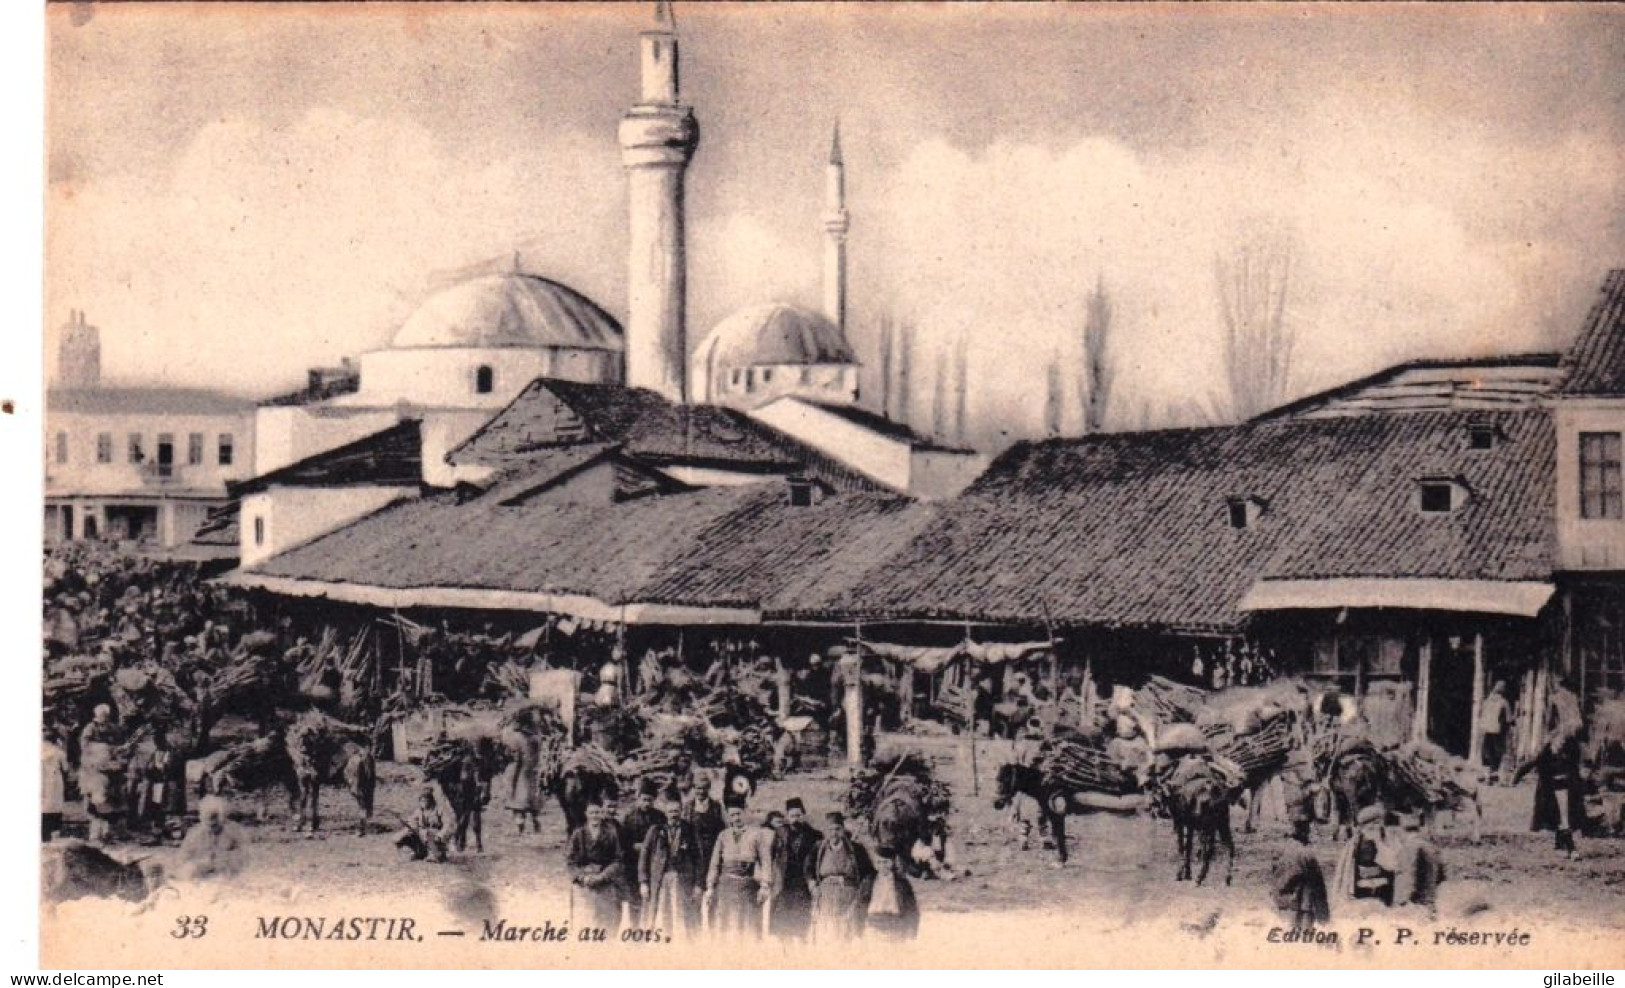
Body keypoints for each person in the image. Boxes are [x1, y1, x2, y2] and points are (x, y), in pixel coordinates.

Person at [640, 787, 704, 938]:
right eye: (670, 812)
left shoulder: (690, 830)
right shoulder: (655, 830)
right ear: (666, 813)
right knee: (661, 915)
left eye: (676, 811)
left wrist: (698, 884)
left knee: (681, 915)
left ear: (681, 811)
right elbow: (644, 856)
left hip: (682, 879)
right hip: (660, 879)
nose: (674, 815)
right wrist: (643, 882)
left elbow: (699, 859)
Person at [704, 805, 774, 939]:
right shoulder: (723, 835)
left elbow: (766, 861)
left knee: (749, 927)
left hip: (748, 886)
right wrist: (710, 886)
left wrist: (765, 886)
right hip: (726, 886)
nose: (736, 818)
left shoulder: (756, 834)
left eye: (739, 814)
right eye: (732, 815)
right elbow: (714, 863)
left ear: (746, 814)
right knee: (725, 925)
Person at [1514, 730, 1586, 859]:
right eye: (1558, 742)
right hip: (1551, 793)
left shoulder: (1570, 754)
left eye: (1563, 743)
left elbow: (1577, 773)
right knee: (1562, 820)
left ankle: (1564, 846)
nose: (1560, 745)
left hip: (1567, 791)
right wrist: (1515, 778)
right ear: (1552, 741)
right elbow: (1528, 765)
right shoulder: (1544, 754)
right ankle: (1571, 849)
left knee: (1565, 819)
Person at [811, 811, 874, 943]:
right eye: (831, 829)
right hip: (826, 895)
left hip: (849, 894)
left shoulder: (856, 849)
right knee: (827, 931)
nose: (834, 833)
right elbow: (808, 869)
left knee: (847, 931)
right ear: (826, 831)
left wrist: (861, 893)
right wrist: (813, 885)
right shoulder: (818, 848)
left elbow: (869, 873)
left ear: (843, 830)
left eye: (837, 829)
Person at [568, 801, 627, 930]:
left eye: (597, 812)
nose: (595, 816)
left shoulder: (611, 834)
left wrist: (603, 876)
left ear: (602, 814)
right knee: (584, 922)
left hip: (605, 882)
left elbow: (617, 859)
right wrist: (583, 877)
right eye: (592, 813)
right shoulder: (579, 834)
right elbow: (571, 861)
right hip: (584, 884)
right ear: (586, 814)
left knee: (605, 922)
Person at [771, 798, 821, 940]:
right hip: (784, 882)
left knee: (801, 923)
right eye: (792, 816)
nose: (795, 819)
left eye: (798, 816)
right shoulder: (780, 834)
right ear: (787, 817)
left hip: (803, 883)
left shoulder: (814, 835)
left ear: (803, 815)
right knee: (783, 925)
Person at [620, 779, 667, 916]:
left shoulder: (660, 817)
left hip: (653, 863)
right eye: (644, 799)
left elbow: (664, 838)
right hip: (633, 863)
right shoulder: (629, 817)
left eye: (650, 800)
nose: (647, 803)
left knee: (652, 899)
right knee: (635, 901)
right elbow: (622, 842)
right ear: (638, 798)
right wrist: (633, 846)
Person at [77, 704, 122, 844]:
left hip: (109, 770)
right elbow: (85, 748)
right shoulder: (90, 729)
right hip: (92, 770)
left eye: (106, 716)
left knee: (109, 802)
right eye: (102, 715)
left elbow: (117, 746)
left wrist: (115, 755)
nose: (104, 719)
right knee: (94, 803)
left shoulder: (113, 728)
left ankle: (107, 833)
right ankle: (95, 835)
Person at [178, 795, 248, 881]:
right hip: (201, 873)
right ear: (201, 819)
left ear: (222, 818)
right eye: (208, 823)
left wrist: (224, 859)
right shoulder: (194, 833)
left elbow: (244, 856)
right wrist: (201, 862)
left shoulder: (234, 831)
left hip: (225, 872)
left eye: (215, 823)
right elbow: (183, 857)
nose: (211, 827)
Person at [864, 849, 920, 942]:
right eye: (879, 862)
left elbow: (911, 908)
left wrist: (912, 931)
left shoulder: (902, 883)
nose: (882, 866)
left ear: (892, 862)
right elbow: (860, 904)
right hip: (873, 924)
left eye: (885, 862)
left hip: (895, 925)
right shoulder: (869, 881)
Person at [395, 787, 451, 863]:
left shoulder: (439, 810)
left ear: (431, 800)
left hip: (435, 837)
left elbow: (448, 824)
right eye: (421, 800)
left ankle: (435, 855)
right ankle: (415, 853)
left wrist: (440, 835)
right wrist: (409, 826)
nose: (423, 802)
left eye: (426, 800)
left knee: (426, 833)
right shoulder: (418, 811)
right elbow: (412, 821)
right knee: (401, 835)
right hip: (422, 835)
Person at [685, 776, 726, 877]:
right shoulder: (688, 806)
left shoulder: (716, 806)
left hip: (712, 849)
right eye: (698, 788)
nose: (701, 791)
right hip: (693, 849)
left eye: (704, 788)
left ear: (709, 789)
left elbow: (722, 828)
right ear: (694, 788)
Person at [1479, 680, 1512, 784]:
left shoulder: (1486, 701)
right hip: (1498, 732)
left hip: (1486, 730)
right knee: (1499, 753)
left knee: (1487, 754)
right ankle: (1499, 777)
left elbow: (1481, 714)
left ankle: (1487, 776)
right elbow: (1509, 719)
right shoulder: (1504, 702)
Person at [42, 729, 68, 843]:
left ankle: (43, 833)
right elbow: (66, 768)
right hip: (54, 780)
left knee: (42, 805)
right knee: (54, 804)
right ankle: (54, 832)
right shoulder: (59, 752)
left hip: (41, 780)